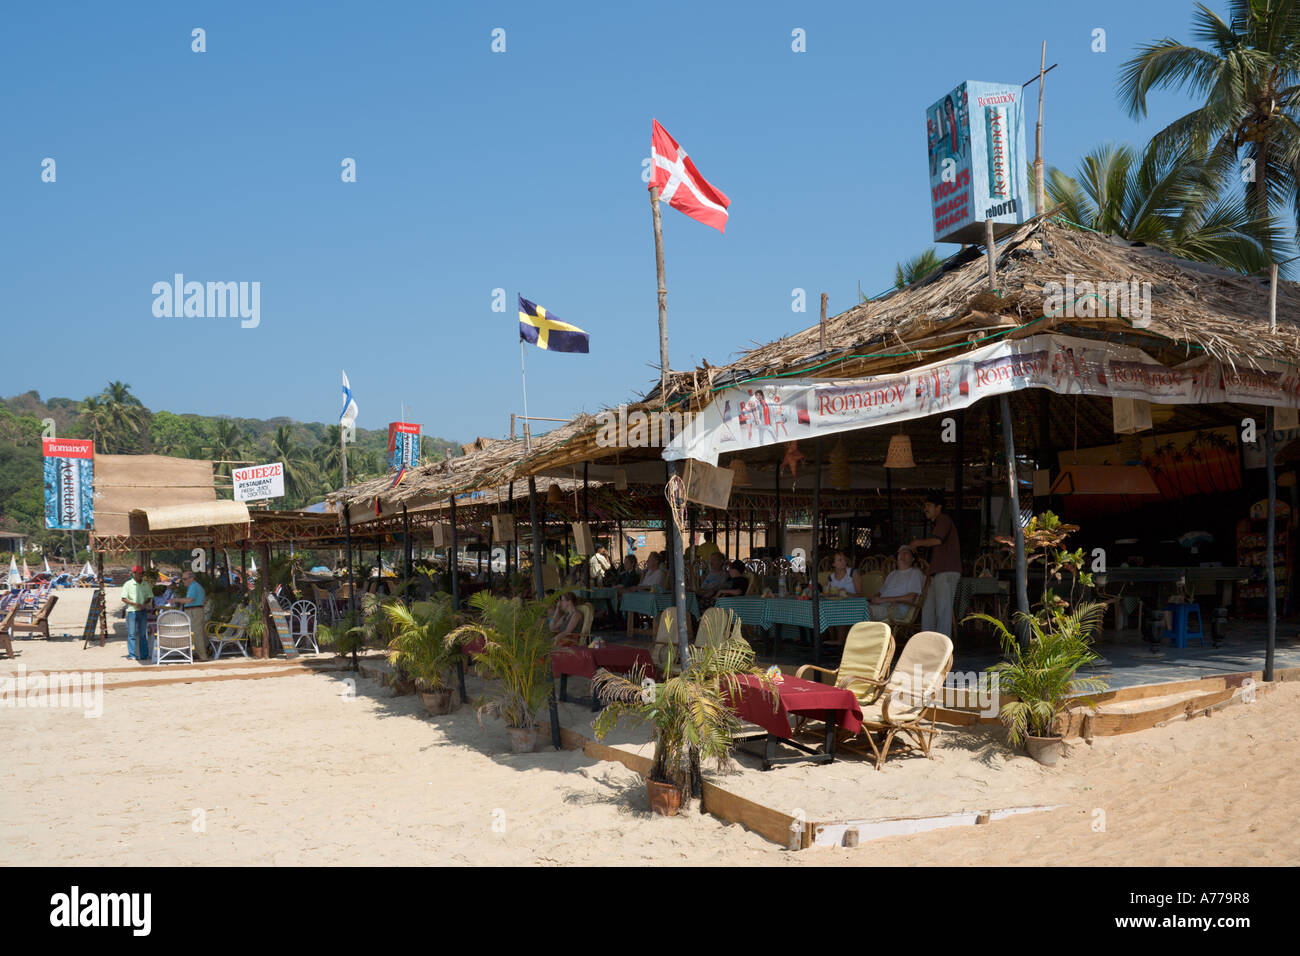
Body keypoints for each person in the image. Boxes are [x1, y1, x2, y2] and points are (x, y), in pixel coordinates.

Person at [912, 492, 962, 640]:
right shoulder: (939, 522)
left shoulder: (943, 519)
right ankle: (927, 641)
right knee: (929, 609)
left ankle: (942, 645)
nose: (925, 509)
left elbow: (937, 541)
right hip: (938, 572)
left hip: (947, 571)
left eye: (928, 505)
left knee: (942, 610)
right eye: (924, 506)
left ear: (938, 507)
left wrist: (918, 543)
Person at [869, 545, 926, 622]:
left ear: (912, 559)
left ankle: (868, 633)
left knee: (867, 611)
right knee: (856, 607)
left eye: (906, 552)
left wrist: (883, 600)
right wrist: (875, 598)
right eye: (900, 552)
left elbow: (911, 598)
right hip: (882, 606)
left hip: (895, 608)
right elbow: (880, 593)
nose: (902, 554)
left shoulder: (915, 573)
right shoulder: (892, 574)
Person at [171, 570, 210, 661]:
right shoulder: (195, 586)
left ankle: (202, 656)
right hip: (196, 611)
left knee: (196, 634)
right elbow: (203, 601)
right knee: (197, 633)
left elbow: (189, 600)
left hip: (194, 611)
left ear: (191, 578)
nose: (183, 581)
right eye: (182, 579)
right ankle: (199, 653)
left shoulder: (193, 586)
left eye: (184, 579)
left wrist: (176, 600)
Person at [120, 565, 153, 662]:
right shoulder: (128, 584)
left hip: (142, 611)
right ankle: (132, 655)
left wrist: (144, 603)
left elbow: (149, 596)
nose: (140, 575)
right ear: (133, 574)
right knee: (132, 634)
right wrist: (135, 604)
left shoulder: (145, 584)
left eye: (142, 573)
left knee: (143, 634)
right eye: (138, 573)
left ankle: (144, 655)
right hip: (131, 612)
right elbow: (123, 598)